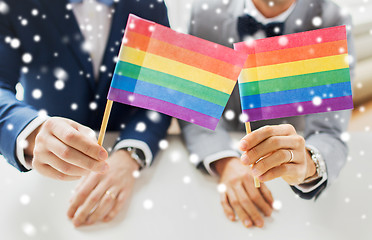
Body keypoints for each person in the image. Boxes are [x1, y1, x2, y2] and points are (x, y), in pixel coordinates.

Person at [181, 0, 355, 228]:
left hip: (292, 203)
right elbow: (195, 106)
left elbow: (329, 131)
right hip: (214, 190)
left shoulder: (332, 19)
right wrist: (225, 159)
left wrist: (308, 164)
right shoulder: (204, 13)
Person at [0, 0, 171, 227]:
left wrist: (131, 153)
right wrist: (30, 131)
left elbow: (161, 94)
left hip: (131, 180)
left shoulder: (151, 5)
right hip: (41, 180)